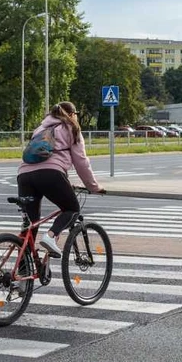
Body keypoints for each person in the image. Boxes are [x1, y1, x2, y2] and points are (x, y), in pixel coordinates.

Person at [17, 101, 105, 257]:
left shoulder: (40, 128)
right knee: (72, 209)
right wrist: (93, 187)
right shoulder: (71, 128)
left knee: (31, 224)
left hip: (24, 175)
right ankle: (51, 237)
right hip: (50, 175)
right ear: (72, 115)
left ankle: (23, 273)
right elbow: (81, 161)